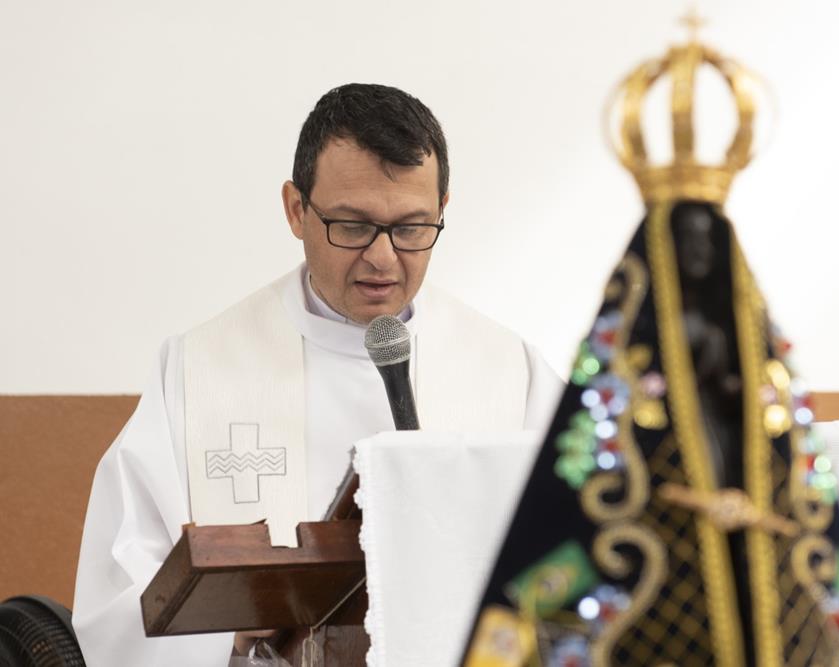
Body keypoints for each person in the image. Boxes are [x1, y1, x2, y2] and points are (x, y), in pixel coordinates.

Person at [72, 83, 562, 666]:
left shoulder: (511, 372)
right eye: (352, 225)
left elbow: (576, 552)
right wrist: (231, 629)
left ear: (442, 211)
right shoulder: (198, 370)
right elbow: (116, 600)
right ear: (296, 210)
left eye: (411, 228)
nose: (383, 257)